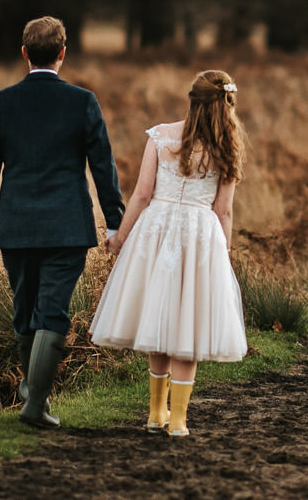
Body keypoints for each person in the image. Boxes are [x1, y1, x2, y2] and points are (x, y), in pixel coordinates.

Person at [0, 16, 126, 430]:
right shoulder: (82, 101)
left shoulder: (0, 103)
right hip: (67, 226)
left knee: (26, 313)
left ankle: (33, 397)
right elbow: (103, 167)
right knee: (49, 312)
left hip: (17, 228)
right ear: (62, 53)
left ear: (24, 53)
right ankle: (34, 402)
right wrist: (115, 224)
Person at [89, 69, 248, 437]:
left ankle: (155, 413)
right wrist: (222, 251)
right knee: (188, 328)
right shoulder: (228, 148)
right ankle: (178, 420)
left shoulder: (160, 136)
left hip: (156, 232)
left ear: (192, 99)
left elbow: (142, 195)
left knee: (158, 318)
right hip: (199, 235)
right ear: (226, 103)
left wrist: (120, 238)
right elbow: (223, 210)